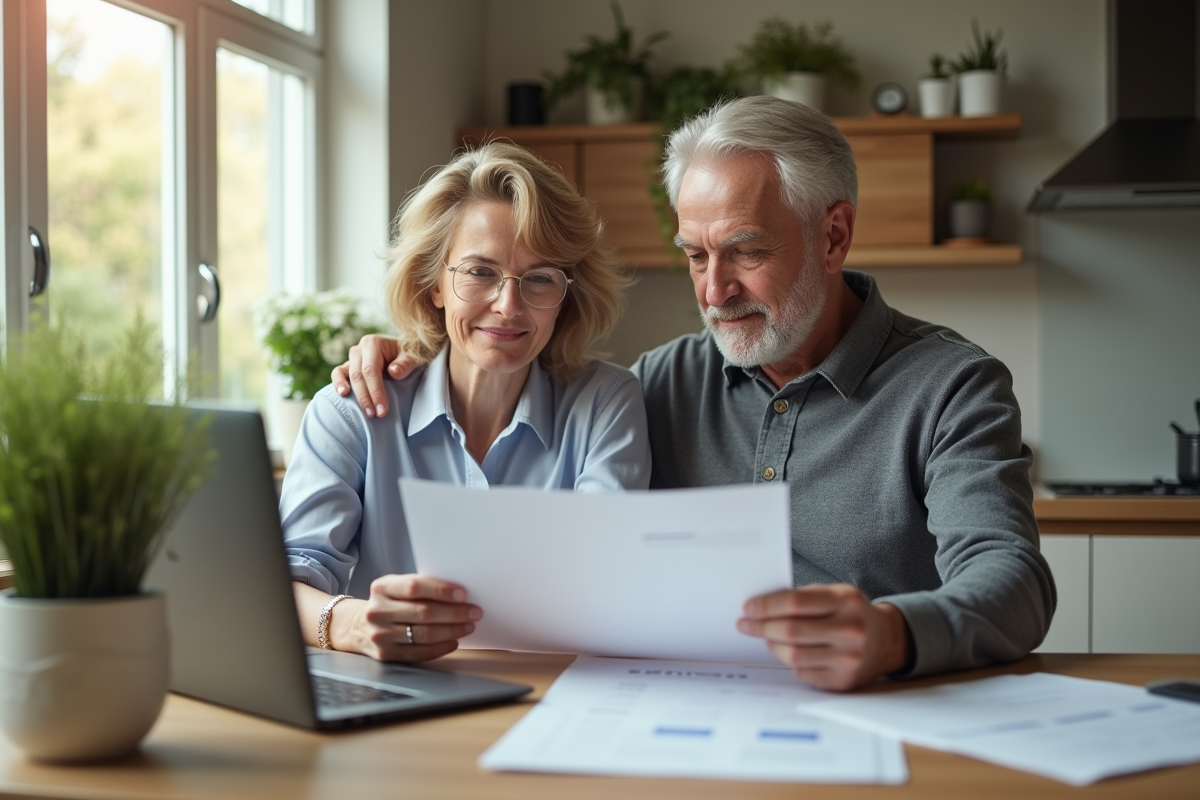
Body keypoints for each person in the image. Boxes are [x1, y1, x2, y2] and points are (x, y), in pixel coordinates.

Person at [331, 97, 1056, 690]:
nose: (715, 291)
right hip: (688, 716)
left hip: (882, 714)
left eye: (746, 251)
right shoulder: (656, 385)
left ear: (833, 238)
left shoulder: (952, 386)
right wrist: (410, 350)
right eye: (696, 256)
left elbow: (1014, 584)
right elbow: (511, 358)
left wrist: (893, 634)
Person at [283, 142, 651, 664]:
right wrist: (352, 624)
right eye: (480, 272)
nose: (508, 305)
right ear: (435, 283)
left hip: (554, 693)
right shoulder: (350, 410)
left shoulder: (606, 404)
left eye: (540, 278)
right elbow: (287, 582)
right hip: (396, 694)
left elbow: (605, 578)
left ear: (566, 294)